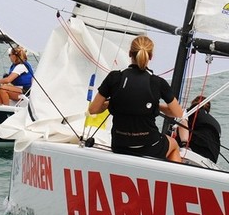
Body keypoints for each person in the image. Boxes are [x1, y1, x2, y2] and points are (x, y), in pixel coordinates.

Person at [87, 35, 183, 163]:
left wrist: (112, 102)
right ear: (151, 57)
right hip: (149, 146)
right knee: (174, 145)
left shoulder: (114, 77)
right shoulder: (158, 82)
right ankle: (170, 180)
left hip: (119, 145)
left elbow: (93, 109)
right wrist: (157, 106)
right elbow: (177, 113)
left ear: (129, 53)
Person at [178, 94, 221, 163]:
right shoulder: (216, 123)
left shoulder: (193, 109)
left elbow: (182, 120)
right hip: (212, 158)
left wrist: (184, 144)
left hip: (197, 152)